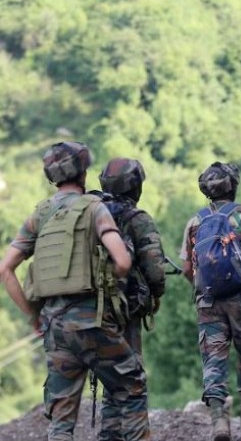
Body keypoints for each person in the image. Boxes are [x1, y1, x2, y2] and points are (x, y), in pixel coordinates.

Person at [0, 141, 150, 440]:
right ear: (83, 172)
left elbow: (5, 269)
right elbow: (122, 261)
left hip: (54, 327)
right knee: (131, 385)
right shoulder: (94, 208)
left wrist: (34, 317)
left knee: (61, 418)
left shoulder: (40, 214)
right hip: (92, 323)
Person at [180, 161, 241, 441]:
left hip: (208, 301)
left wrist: (202, 284)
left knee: (213, 362)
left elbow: (187, 267)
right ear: (233, 186)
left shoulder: (195, 221)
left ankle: (220, 423)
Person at [97, 158, 166, 441]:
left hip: (90, 307)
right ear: (135, 186)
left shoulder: (92, 213)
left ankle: (109, 434)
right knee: (131, 374)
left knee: (111, 377)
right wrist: (156, 294)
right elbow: (155, 269)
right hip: (125, 309)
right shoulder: (137, 218)